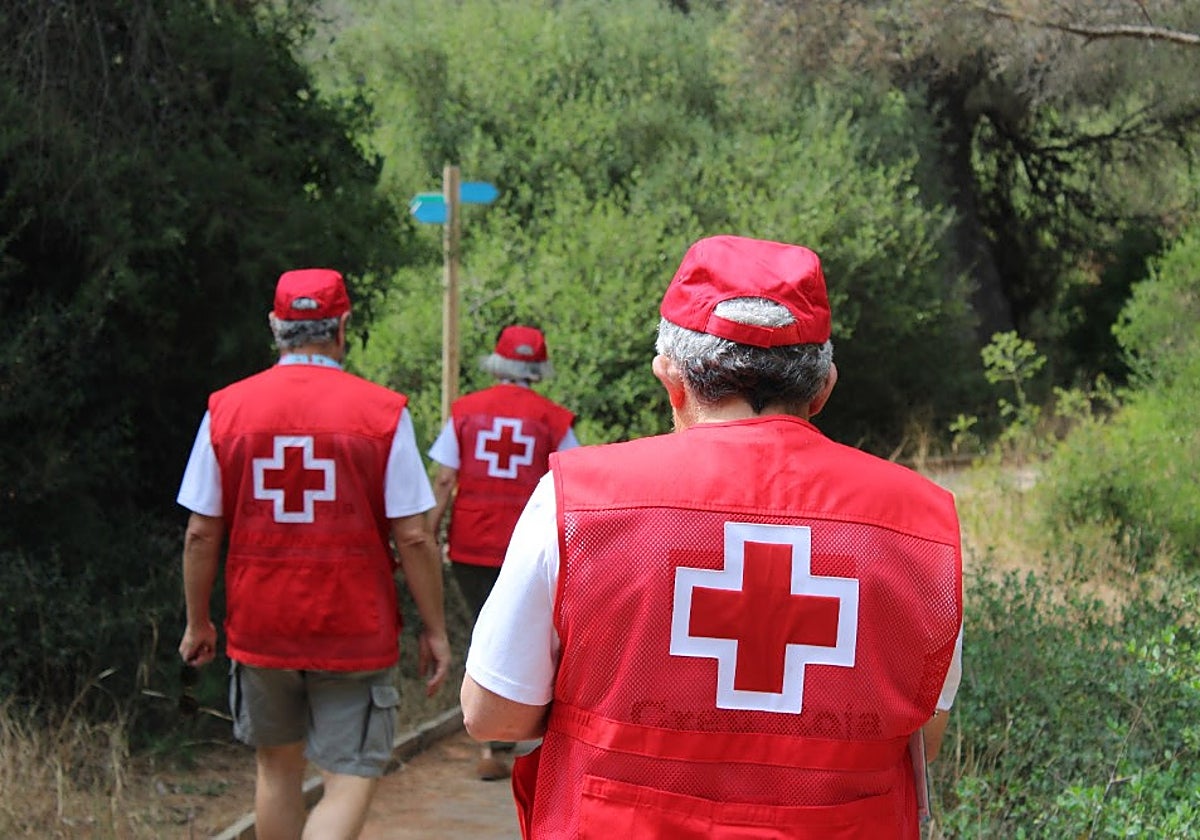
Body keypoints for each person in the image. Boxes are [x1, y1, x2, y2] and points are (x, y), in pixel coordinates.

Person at [461, 235, 964, 839]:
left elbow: (493, 714)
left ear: (670, 377)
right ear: (824, 387)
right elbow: (923, 739)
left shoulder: (575, 502)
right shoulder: (922, 524)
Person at [176, 267, 452, 840]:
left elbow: (201, 532)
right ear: (343, 326)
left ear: (275, 327)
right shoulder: (382, 413)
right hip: (353, 626)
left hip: (260, 626)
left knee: (276, 772)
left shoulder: (226, 410)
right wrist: (435, 629)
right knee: (347, 778)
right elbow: (415, 537)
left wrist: (198, 620)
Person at [428, 324, 578, 780]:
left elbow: (443, 479)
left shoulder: (465, 412)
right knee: (530, 633)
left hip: (472, 545)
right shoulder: (554, 419)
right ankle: (519, 737)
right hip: (531, 550)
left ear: (498, 361)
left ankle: (491, 745)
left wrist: (429, 532)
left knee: (485, 630)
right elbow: (573, 482)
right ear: (539, 367)